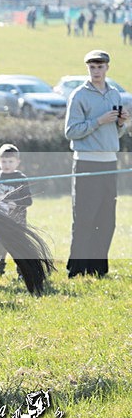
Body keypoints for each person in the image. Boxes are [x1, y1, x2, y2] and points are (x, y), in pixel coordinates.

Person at [64, 50, 130, 278]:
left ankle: (98, 269)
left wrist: (122, 123)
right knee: (84, 217)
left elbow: (116, 134)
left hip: (110, 163)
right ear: (88, 68)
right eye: (92, 67)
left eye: (100, 66)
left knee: (106, 219)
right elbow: (71, 131)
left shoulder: (114, 94)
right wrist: (99, 121)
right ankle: (76, 270)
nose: (96, 71)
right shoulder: (79, 95)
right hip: (86, 163)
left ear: (107, 68)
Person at [0, 144, 33, 276]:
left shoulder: (21, 178)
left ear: (17, 162)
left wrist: (16, 204)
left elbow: (28, 200)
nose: (7, 164)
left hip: (17, 221)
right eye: (4, 161)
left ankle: (22, 271)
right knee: (0, 245)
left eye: (10, 161)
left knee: (18, 246)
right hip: (0, 220)